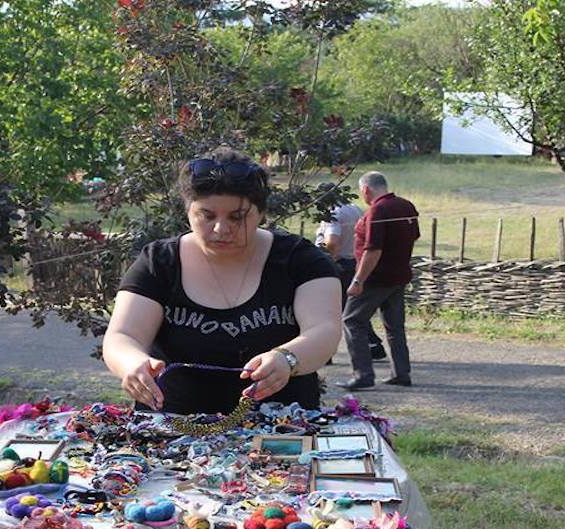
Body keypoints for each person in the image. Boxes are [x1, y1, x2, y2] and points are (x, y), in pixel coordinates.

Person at [104, 147, 342, 415]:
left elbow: (324, 330)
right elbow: (123, 336)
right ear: (188, 211)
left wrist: (287, 358)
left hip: (283, 427)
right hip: (171, 427)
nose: (221, 229)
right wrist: (132, 363)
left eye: (237, 217)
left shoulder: (301, 260)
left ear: (261, 213)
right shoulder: (158, 262)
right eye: (207, 216)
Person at [337, 171, 419, 390]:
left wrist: (358, 280)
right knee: (394, 326)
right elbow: (413, 237)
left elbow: (373, 249)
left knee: (352, 320)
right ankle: (401, 373)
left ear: (366, 189)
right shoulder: (406, 205)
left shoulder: (378, 210)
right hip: (398, 276)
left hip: (375, 279)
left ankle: (363, 375)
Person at [314, 189, 387, 361]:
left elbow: (332, 242)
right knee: (352, 309)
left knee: (329, 311)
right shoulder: (355, 209)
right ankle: (373, 345)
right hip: (355, 262)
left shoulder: (333, 214)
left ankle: (326, 352)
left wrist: (327, 260)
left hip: (339, 265)